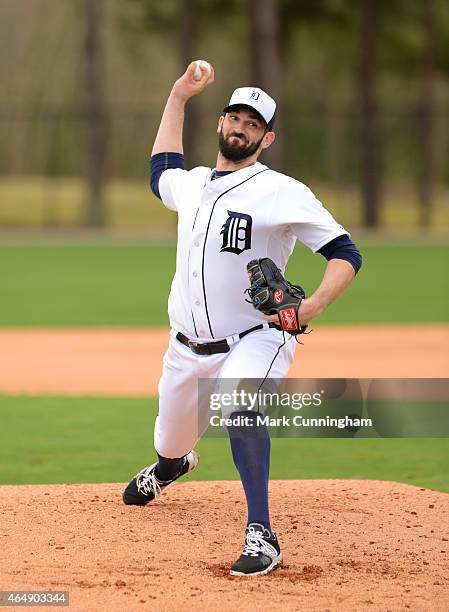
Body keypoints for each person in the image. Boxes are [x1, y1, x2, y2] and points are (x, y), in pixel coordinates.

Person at [123, 62, 362, 577]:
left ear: (267, 137)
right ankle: (173, 467)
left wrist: (312, 306)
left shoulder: (281, 191)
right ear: (220, 123)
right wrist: (178, 96)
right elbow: (160, 170)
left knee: (239, 404)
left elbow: (346, 252)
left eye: (253, 124)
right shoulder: (191, 186)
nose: (240, 127)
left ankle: (263, 534)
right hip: (186, 347)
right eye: (234, 117)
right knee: (170, 442)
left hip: (256, 336)